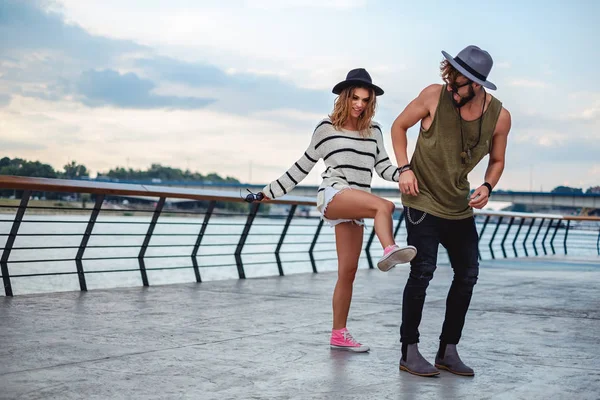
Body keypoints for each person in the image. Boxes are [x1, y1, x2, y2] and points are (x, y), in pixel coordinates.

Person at [258, 68, 417, 352]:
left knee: (348, 271)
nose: (360, 104)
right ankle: (390, 249)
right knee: (385, 206)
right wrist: (269, 191)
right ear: (344, 97)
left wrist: (408, 172)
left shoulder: (374, 131)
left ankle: (338, 334)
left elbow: (382, 168)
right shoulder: (326, 128)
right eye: (355, 98)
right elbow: (303, 165)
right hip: (334, 194)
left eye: (365, 100)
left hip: (357, 202)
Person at [390, 46, 512, 376]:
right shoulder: (433, 96)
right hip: (422, 199)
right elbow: (398, 127)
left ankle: (447, 350)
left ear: (477, 84)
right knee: (423, 272)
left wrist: (487, 186)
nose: (450, 86)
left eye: (457, 83)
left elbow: (497, 160)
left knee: (468, 274)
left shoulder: (500, 117)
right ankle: (409, 351)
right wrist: (404, 169)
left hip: (458, 206)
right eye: (449, 78)